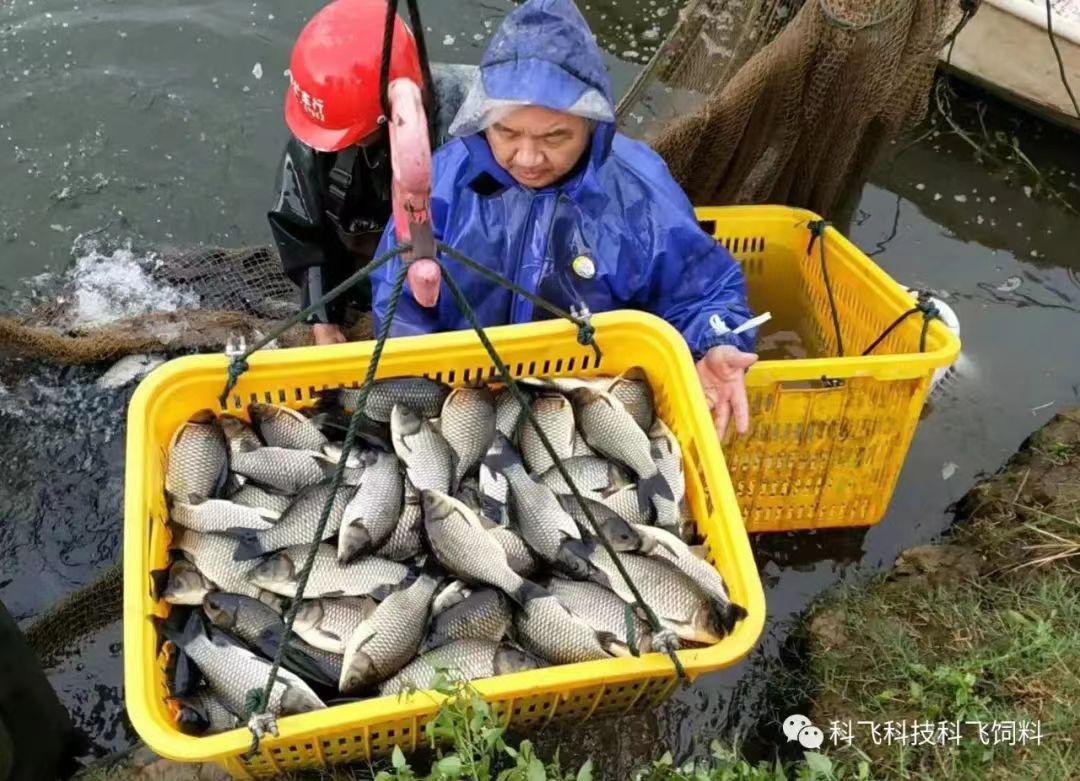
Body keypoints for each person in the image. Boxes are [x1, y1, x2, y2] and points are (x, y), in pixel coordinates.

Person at [371, 0, 759, 436]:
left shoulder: (640, 193)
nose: (529, 157)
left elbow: (707, 292)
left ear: (592, 126)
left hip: (592, 404)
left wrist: (718, 342)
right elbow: (398, 289)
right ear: (484, 123)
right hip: (466, 395)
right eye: (507, 132)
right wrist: (425, 375)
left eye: (556, 136)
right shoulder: (442, 182)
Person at [267, 0, 473, 345]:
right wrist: (324, 319)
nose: (353, 143)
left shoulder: (470, 122)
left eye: (360, 134)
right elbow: (301, 230)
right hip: (365, 287)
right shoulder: (321, 134)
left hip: (458, 287)